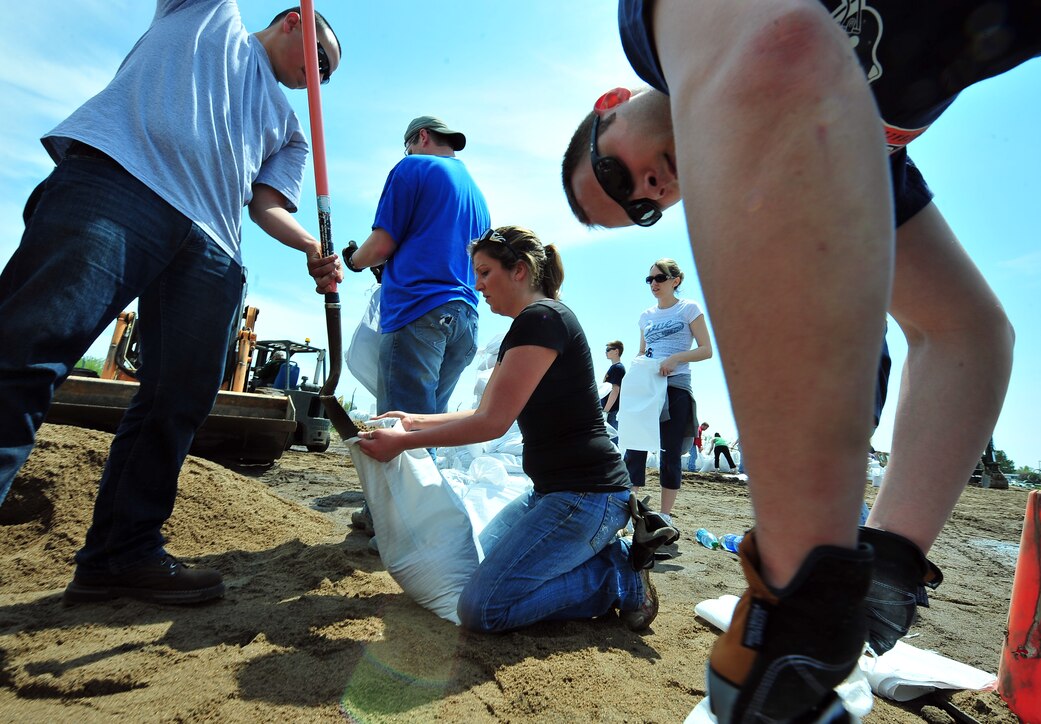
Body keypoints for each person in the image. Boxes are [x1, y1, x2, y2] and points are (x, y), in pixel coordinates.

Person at [562, 3, 1041, 720]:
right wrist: (889, 560)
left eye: (614, 173)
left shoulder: (651, 25)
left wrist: (798, 598)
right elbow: (964, 333)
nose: (648, 192)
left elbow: (780, 53)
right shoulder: (855, 156)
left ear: (610, 105)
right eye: (643, 210)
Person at [0, 3, 343, 606]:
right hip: (120, 186)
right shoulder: (207, 15)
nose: (321, 79)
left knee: (178, 402)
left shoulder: (290, 129)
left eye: (329, 76)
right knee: (25, 353)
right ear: (294, 20)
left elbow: (266, 205)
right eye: (320, 61)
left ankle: (120, 554)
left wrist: (312, 244)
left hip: (212, 244)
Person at [355, 226, 675, 633]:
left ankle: (616, 575)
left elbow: (492, 425)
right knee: (473, 571)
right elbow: (484, 410)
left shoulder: (542, 320)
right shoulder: (529, 325)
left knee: (482, 609)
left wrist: (403, 443)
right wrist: (412, 420)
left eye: (486, 273)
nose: (478, 285)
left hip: (587, 497)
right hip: (551, 494)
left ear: (520, 270)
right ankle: (594, 560)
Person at [342, 115, 489, 536]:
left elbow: (382, 244)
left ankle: (394, 528)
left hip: (418, 312)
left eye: (408, 145)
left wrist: (354, 261)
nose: (405, 153)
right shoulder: (475, 192)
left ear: (421, 138)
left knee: (398, 424)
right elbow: (441, 250)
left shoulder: (411, 167)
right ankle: (413, 520)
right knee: (425, 427)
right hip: (463, 318)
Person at [622, 259, 712, 523]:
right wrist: (636, 367)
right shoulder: (646, 316)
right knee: (635, 449)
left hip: (675, 387)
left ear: (676, 281)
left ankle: (664, 516)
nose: (654, 284)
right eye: (649, 279)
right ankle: (628, 512)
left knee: (669, 453)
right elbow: (641, 351)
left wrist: (675, 359)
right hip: (647, 388)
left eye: (659, 278)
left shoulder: (689, 309)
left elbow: (706, 349)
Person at [601, 339, 625, 442]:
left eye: (608, 349)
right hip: (610, 411)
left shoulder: (618, 368)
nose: (606, 352)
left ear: (616, 351)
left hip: (611, 411)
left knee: (612, 441)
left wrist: (605, 411)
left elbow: (615, 390)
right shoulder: (614, 368)